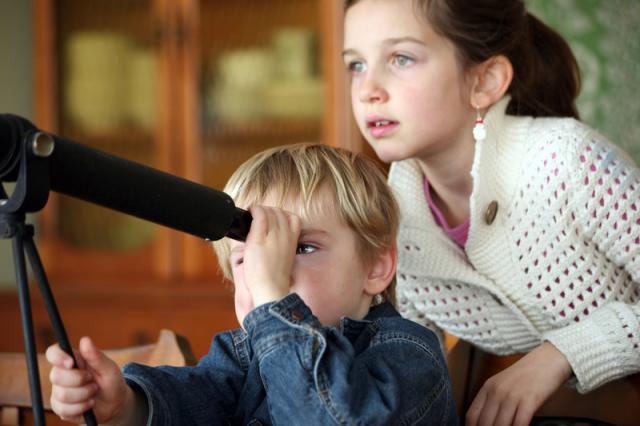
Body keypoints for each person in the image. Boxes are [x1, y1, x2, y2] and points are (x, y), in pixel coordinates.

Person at [343, 0, 640, 425]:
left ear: (485, 81)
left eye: (401, 58)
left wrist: (560, 355)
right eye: (355, 65)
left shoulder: (569, 161)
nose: (367, 88)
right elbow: (410, 373)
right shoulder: (394, 224)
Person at [46, 143, 458, 425]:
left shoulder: (409, 354)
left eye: (304, 248)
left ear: (375, 268)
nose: (271, 273)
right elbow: (194, 405)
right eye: (250, 259)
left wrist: (276, 305)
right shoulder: (243, 356)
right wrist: (125, 406)